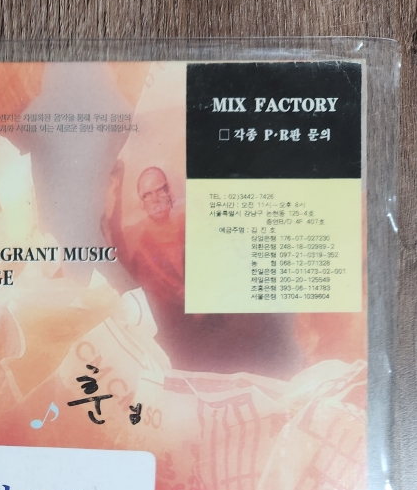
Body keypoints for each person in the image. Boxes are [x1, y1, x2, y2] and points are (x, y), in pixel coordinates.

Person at [101, 162, 302, 378]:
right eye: (147, 195)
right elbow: (113, 239)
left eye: (160, 190)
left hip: (229, 329)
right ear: (142, 203)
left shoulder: (195, 226)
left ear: (170, 192)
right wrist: (115, 190)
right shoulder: (142, 249)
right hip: (187, 347)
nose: (155, 199)